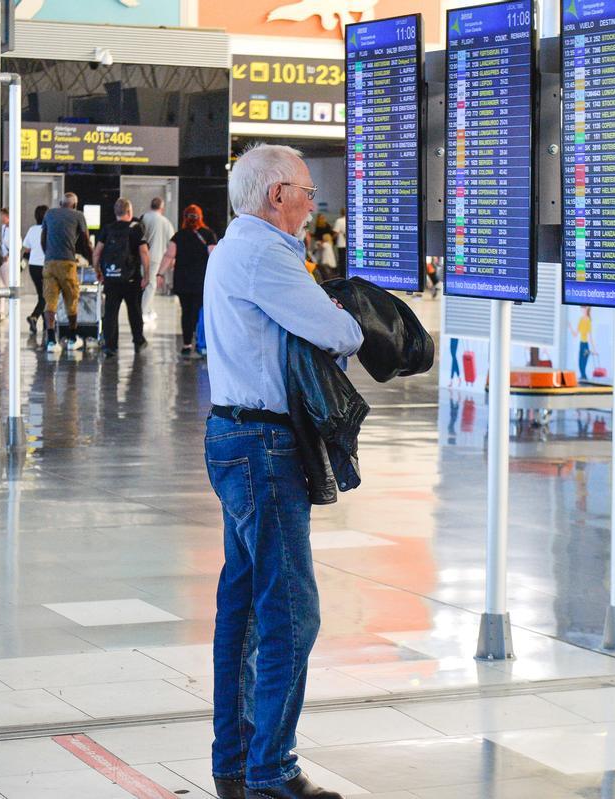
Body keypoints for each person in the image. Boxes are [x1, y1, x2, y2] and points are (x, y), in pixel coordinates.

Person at [203, 144, 362, 799]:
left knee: (242, 608)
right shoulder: (268, 252)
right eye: (304, 191)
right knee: (293, 611)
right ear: (276, 196)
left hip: (231, 435)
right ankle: (272, 767)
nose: (310, 205)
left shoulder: (230, 248)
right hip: (263, 449)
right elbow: (340, 332)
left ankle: (236, 760)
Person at [157, 204, 216, 358]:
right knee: (200, 312)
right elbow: (214, 256)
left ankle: (186, 344)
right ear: (200, 217)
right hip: (201, 281)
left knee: (186, 312)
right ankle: (201, 343)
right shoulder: (208, 234)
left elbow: (169, 256)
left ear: (185, 218)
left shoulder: (179, 236)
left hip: (183, 281)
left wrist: (160, 274)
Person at [94, 197, 150, 358]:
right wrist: (146, 275)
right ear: (129, 211)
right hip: (131, 278)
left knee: (111, 312)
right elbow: (144, 252)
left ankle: (110, 346)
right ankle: (138, 341)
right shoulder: (136, 228)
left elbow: (97, 252)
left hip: (111, 278)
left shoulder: (108, 229)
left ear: (115, 212)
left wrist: (98, 270)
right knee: (134, 310)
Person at [41, 193, 91, 352]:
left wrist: (48, 255)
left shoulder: (49, 214)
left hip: (49, 262)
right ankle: (72, 338)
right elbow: (85, 240)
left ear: (61, 203)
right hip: (67, 263)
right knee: (72, 300)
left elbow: (43, 238)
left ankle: (50, 341)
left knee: (50, 302)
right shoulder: (78, 215)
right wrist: (92, 261)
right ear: (75, 205)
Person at [139, 197, 175, 323]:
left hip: (141, 256)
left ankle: (148, 309)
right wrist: (171, 260)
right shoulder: (165, 222)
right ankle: (143, 312)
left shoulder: (143, 218)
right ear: (162, 207)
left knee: (143, 283)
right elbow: (172, 242)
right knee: (151, 284)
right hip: (156, 257)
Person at [21, 204, 48, 334]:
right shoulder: (49, 229)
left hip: (33, 267)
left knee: (42, 296)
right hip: (46, 266)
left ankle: (45, 324)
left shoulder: (32, 230)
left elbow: (27, 249)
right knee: (46, 297)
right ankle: (34, 317)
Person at [332, 207, 347, 272]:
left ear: (341, 212)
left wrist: (331, 239)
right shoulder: (352, 220)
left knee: (342, 261)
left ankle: (342, 275)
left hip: (341, 244)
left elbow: (336, 233)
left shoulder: (339, 221)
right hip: (351, 245)